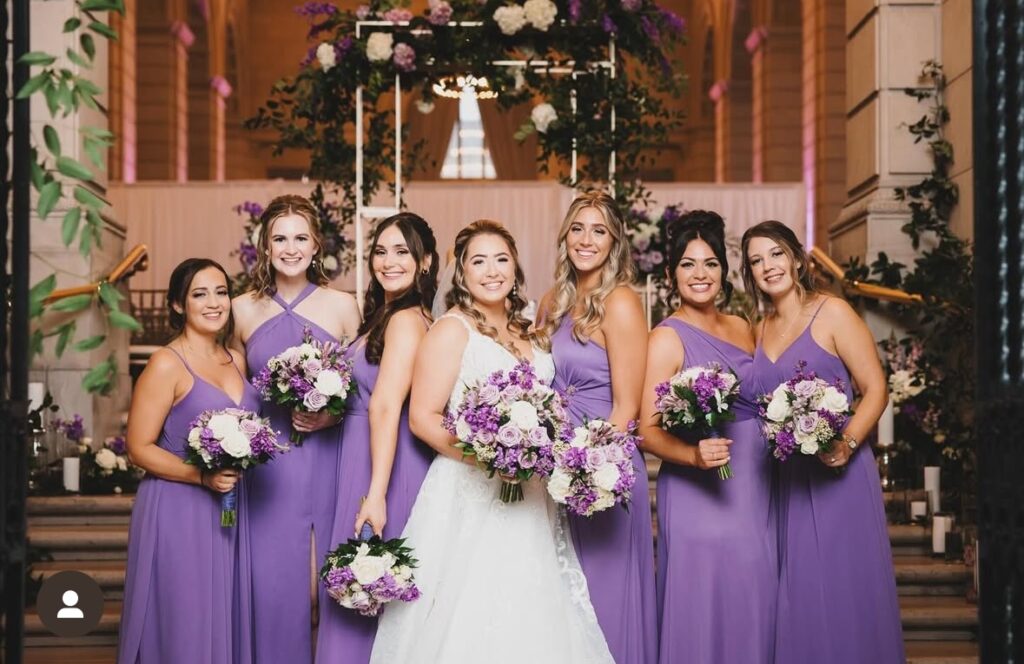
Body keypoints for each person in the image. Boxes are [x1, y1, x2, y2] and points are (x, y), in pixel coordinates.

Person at [370, 220, 613, 663]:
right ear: (462, 272)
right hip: (470, 491)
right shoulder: (451, 329)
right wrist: (489, 457)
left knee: (531, 604)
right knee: (470, 607)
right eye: (478, 261)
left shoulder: (531, 330)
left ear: (515, 267)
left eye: (501, 259)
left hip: (532, 495)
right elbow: (423, 418)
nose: (492, 271)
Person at [743, 220, 904, 664]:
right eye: (756, 260)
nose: (768, 266)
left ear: (797, 258)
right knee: (798, 594)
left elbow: (875, 388)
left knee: (841, 588)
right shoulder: (760, 328)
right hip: (787, 480)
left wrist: (846, 443)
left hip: (839, 475)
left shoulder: (833, 312)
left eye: (776, 253)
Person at [638, 211, 777, 663]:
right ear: (670, 274)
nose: (700, 274)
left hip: (756, 484)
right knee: (702, 597)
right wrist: (694, 456)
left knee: (754, 592)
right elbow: (645, 431)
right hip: (699, 491)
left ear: (724, 270)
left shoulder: (743, 326)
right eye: (688, 264)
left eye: (711, 263)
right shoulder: (665, 339)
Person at [232, 195, 361, 664]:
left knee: (322, 588)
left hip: (328, 459)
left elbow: (362, 391)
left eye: (300, 238)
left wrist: (331, 415)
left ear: (316, 245)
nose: (290, 248)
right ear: (265, 246)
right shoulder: (240, 309)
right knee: (273, 592)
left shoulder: (344, 305)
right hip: (268, 468)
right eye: (280, 238)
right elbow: (232, 391)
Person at [537, 191, 657, 663]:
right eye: (578, 229)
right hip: (556, 469)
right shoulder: (552, 302)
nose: (586, 240)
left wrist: (586, 470)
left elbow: (627, 406)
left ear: (614, 242)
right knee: (564, 601)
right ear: (565, 236)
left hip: (603, 470)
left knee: (604, 602)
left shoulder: (621, 302)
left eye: (599, 231)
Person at [119, 258, 258, 664]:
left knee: (222, 610)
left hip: (230, 505)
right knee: (185, 617)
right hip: (178, 506)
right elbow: (138, 446)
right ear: (179, 305)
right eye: (200, 294)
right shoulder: (166, 363)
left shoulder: (236, 359)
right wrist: (200, 477)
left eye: (221, 292)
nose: (214, 303)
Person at [314, 212, 439, 662]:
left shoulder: (405, 320)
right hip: (364, 454)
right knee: (362, 588)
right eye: (381, 252)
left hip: (385, 464)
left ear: (425, 262)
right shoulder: (389, 316)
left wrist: (376, 495)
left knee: (370, 585)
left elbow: (385, 406)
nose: (389, 262)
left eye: (402, 252)